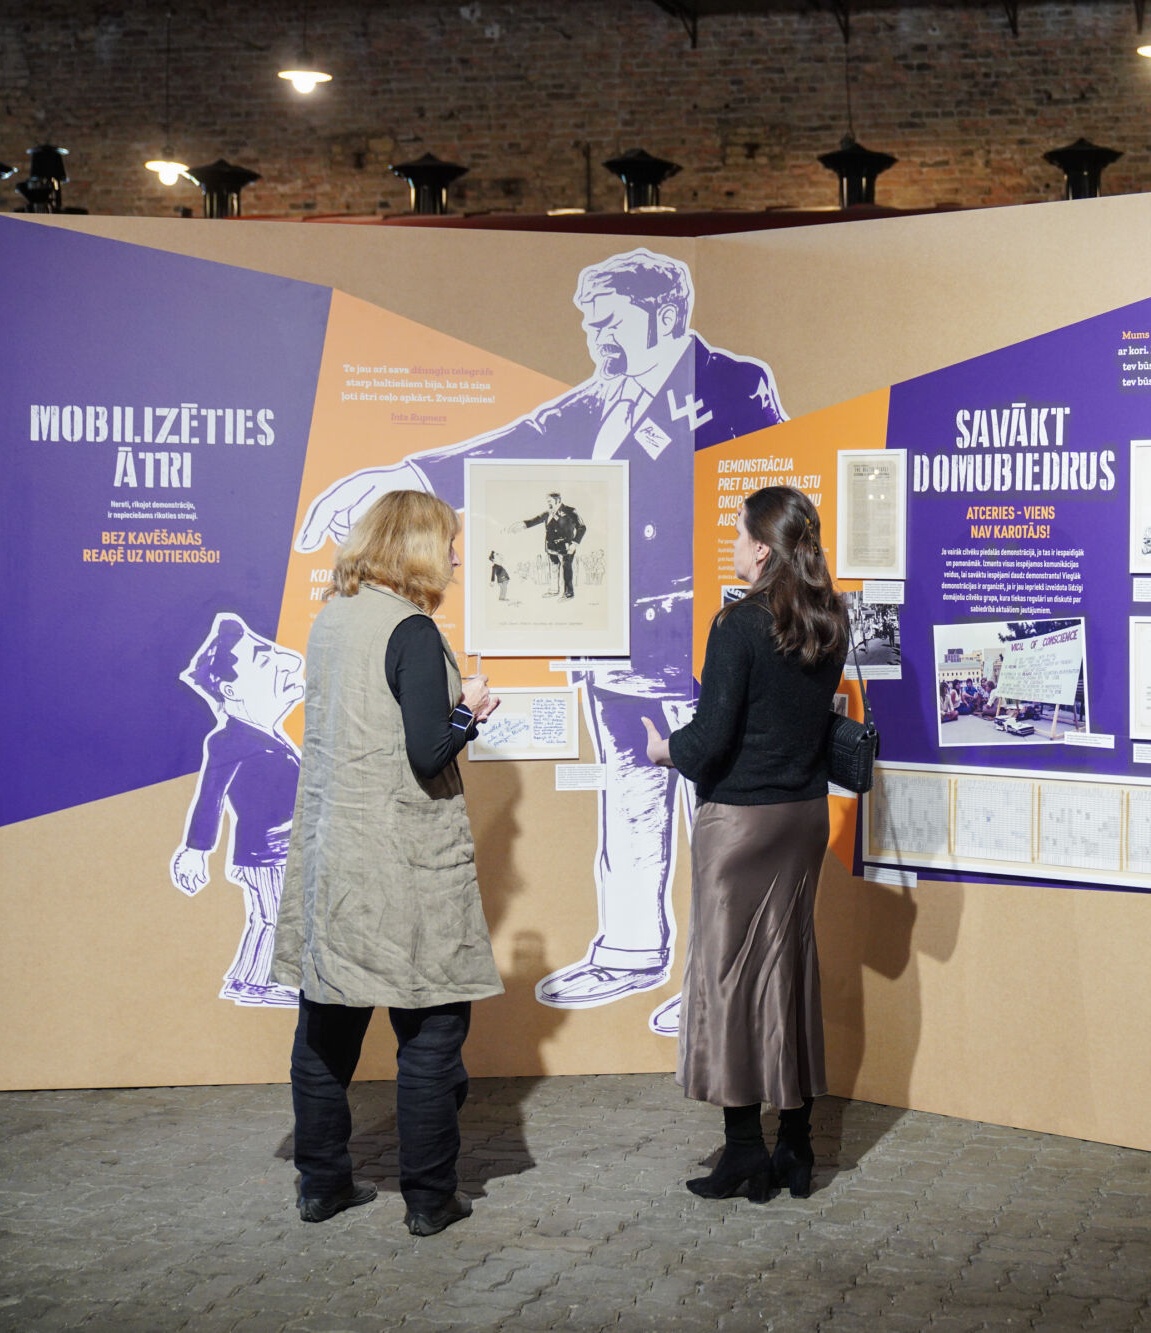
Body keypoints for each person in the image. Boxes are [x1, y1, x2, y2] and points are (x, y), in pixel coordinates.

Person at [292, 249, 786, 1039]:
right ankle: (631, 947)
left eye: (608, 317)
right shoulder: (602, 398)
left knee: (711, 810)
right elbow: (511, 442)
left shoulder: (732, 384)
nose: (593, 334)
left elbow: (763, 506)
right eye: (588, 320)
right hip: (613, 639)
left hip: (692, 639)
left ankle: (718, 977)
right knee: (628, 795)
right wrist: (401, 475)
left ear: (662, 315)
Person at [271, 491, 503, 1237]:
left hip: (336, 860)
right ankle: (430, 1199)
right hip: (402, 864)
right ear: (420, 548)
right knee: (433, 1032)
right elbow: (427, 751)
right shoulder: (410, 628)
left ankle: (322, 1185)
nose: (459, 556)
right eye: (450, 542)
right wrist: (471, 708)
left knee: (325, 1033)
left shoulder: (332, 620)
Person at [640, 486, 846, 1203]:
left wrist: (665, 748)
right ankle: (796, 1143)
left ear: (762, 546)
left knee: (728, 981)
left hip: (742, 824)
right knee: (789, 971)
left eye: (737, 533)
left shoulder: (737, 624)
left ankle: (743, 1150)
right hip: (805, 817)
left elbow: (712, 738)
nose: (732, 543)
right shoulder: (829, 617)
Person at [171, 613, 306, 1008]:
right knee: (277, 918)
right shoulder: (229, 740)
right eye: (265, 661)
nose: (288, 662)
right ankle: (270, 982)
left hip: (275, 849)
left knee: (270, 917)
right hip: (266, 853)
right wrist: (196, 851)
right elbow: (209, 798)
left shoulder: (267, 736)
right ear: (231, 691)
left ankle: (250, 981)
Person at [523, 492, 586, 599]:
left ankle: (568, 592)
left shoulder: (570, 511)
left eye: (549, 501)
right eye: (547, 501)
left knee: (567, 568)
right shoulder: (548, 513)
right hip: (551, 547)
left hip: (567, 546)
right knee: (553, 568)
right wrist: (521, 525)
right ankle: (553, 590)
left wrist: (575, 544)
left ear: (558, 500)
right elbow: (533, 521)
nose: (548, 503)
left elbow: (582, 527)